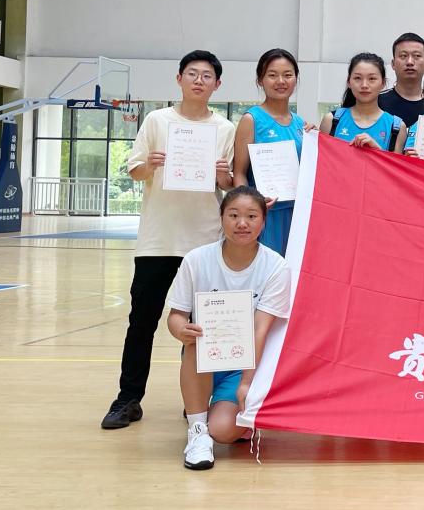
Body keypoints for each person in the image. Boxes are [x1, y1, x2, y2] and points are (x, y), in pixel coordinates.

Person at [101, 50, 235, 431]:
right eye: (192, 73)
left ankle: (196, 401)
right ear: (179, 79)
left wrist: (222, 176)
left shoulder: (225, 129)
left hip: (204, 241)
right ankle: (128, 399)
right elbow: (135, 170)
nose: (198, 80)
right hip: (158, 241)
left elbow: (229, 185)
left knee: (200, 328)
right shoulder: (158, 121)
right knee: (141, 322)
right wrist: (152, 164)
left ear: (217, 84)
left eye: (206, 76)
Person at [166, 187, 291, 471]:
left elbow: (260, 330)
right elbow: (176, 315)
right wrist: (181, 330)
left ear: (263, 221)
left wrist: (247, 382)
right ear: (221, 217)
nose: (242, 223)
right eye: (233, 215)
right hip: (205, 357)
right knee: (196, 342)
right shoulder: (196, 259)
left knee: (222, 431)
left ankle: (228, 416)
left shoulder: (276, 267)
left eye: (251, 216)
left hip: (246, 363)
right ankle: (197, 432)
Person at [231, 49, 305, 257]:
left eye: (287, 75)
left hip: (297, 215)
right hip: (265, 214)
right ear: (260, 80)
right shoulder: (251, 120)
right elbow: (239, 173)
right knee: (266, 271)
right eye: (272, 75)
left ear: (296, 79)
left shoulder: (301, 124)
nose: (281, 81)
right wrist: (252, 206)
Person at [320, 53, 407, 152]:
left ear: (383, 83)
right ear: (349, 82)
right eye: (358, 78)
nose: (364, 85)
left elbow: (394, 163)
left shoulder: (397, 127)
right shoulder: (331, 121)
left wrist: (376, 150)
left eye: (372, 79)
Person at [378, 33, 424, 127]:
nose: (410, 62)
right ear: (393, 64)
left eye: (417, 56)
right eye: (403, 56)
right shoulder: (376, 101)